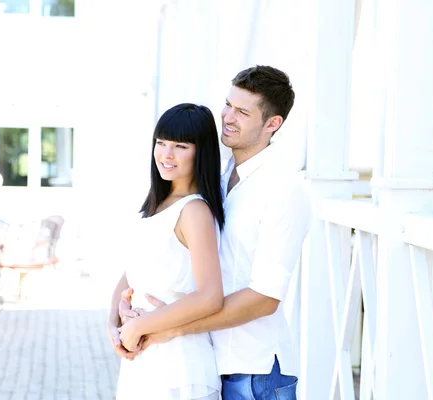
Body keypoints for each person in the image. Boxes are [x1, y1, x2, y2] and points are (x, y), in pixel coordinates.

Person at [114, 65, 311, 400]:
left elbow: (264, 299)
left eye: (242, 112)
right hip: (208, 362)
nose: (228, 117)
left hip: (254, 370)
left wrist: (168, 327)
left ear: (272, 124)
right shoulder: (221, 175)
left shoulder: (283, 188)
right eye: (228, 104)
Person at [109, 103, 226, 400]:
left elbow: (210, 296)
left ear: (202, 151)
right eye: (160, 143)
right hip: (144, 360)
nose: (166, 154)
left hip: (179, 367)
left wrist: (137, 327)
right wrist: (115, 324)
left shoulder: (194, 210)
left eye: (180, 146)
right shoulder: (156, 205)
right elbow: (131, 275)